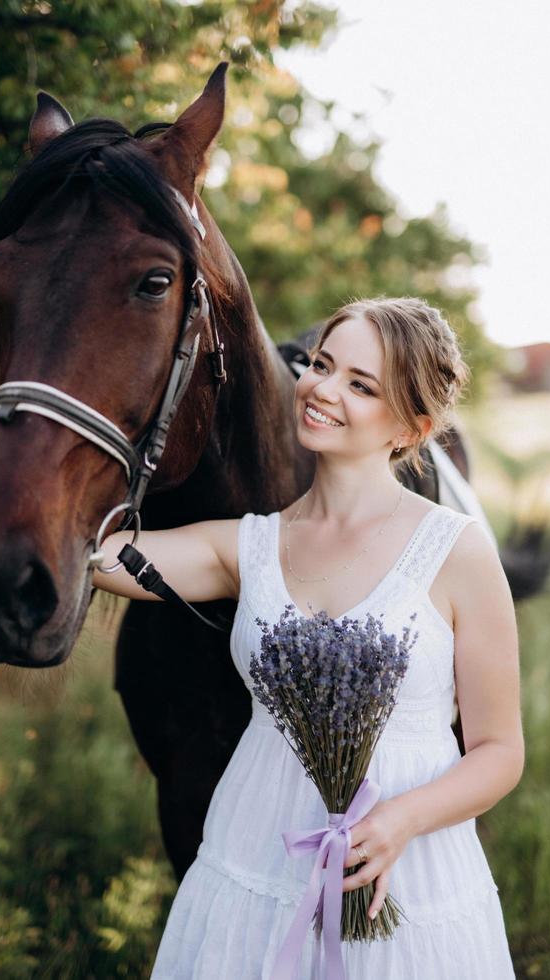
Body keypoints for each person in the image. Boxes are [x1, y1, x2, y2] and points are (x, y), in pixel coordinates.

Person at [93, 297, 523, 979]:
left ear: (413, 427)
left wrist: (399, 822)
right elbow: (98, 556)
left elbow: (500, 752)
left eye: (361, 384)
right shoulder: (249, 545)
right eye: (321, 364)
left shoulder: (457, 552)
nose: (323, 389)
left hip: (407, 865)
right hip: (256, 847)